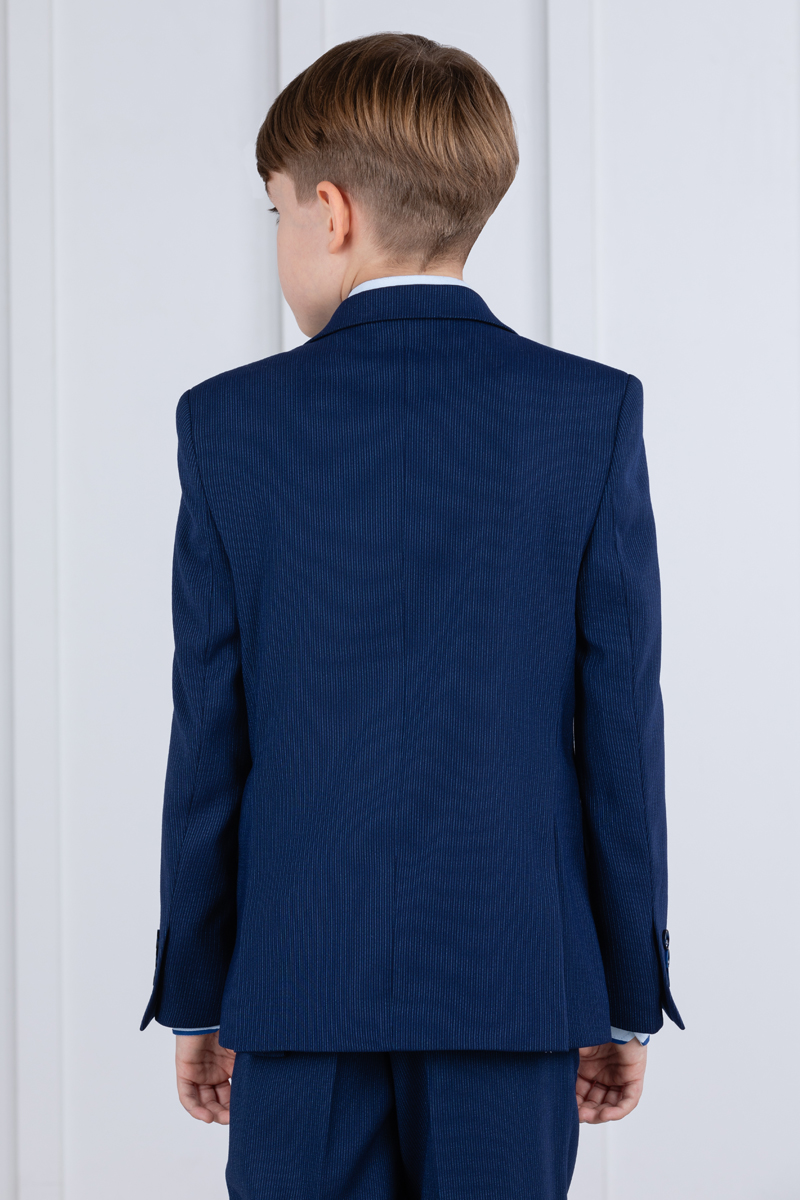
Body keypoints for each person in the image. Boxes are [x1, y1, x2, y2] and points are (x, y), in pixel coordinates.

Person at [140, 31, 683, 1199]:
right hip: (515, 981)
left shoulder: (227, 424)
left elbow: (209, 740)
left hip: (295, 985)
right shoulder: (587, 413)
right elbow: (618, 734)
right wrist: (622, 998)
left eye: (275, 209)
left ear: (329, 212)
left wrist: (196, 993)